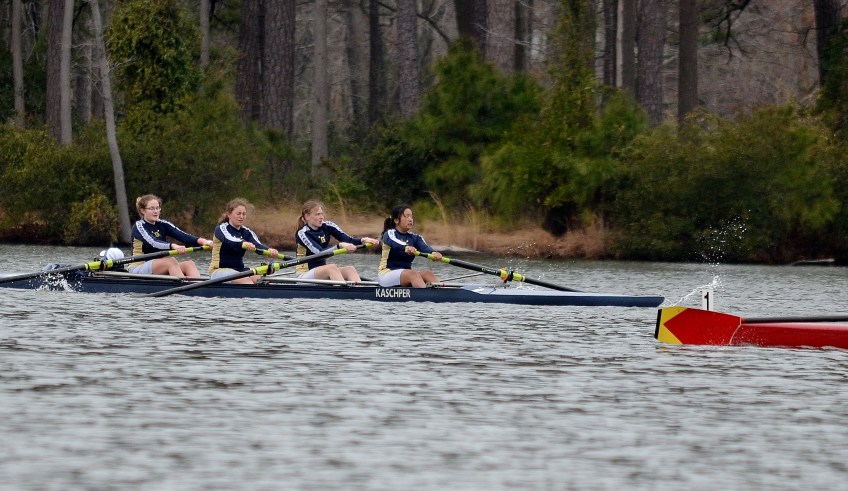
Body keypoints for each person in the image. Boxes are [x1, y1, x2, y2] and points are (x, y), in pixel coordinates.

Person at [128, 195, 212, 278]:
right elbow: (153, 242)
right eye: (152, 208)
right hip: (138, 266)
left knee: (189, 264)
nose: (156, 211)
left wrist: (204, 242)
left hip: (157, 266)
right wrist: (173, 246)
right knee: (170, 261)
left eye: (157, 208)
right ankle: (183, 285)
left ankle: (198, 285)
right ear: (143, 211)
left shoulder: (162, 224)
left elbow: (183, 236)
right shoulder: (139, 226)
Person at [295, 200, 380, 282]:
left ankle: (359, 290)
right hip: (304, 276)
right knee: (331, 268)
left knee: (349, 269)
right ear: (307, 216)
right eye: (317, 214)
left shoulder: (327, 226)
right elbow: (319, 253)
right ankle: (342, 290)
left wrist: (363, 240)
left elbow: (348, 240)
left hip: (321, 273)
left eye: (322, 214)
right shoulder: (302, 234)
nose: (322, 217)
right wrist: (339, 246)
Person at [208, 198, 279, 285]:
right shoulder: (221, 228)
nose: (241, 217)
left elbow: (257, 245)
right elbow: (230, 240)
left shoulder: (246, 232)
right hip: (219, 271)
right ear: (229, 214)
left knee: (262, 280)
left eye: (244, 214)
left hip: (240, 270)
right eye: (238, 214)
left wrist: (269, 250)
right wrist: (243, 243)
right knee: (245, 281)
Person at [378, 204, 443, 288]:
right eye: (407, 216)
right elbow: (395, 243)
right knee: (413, 274)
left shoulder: (415, 237)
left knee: (428, 273)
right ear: (396, 220)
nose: (410, 219)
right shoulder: (389, 234)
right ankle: (425, 294)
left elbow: (424, 247)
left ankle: (441, 293)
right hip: (386, 274)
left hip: (405, 274)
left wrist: (433, 253)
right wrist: (406, 247)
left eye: (411, 216)